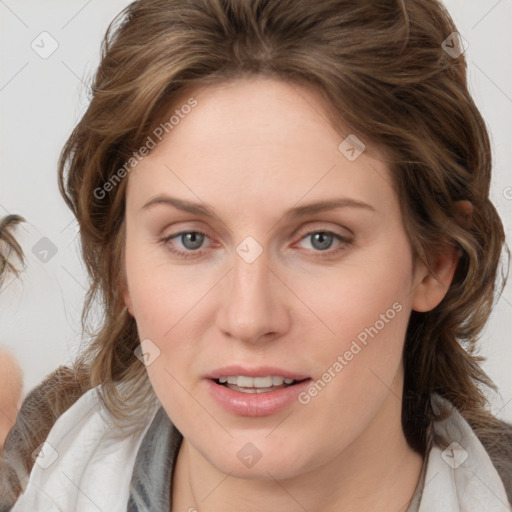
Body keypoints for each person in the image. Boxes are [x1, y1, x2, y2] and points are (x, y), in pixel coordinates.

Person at [1, 0, 511, 510]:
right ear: (121, 267)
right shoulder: (25, 469)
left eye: (321, 239)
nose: (249, 319)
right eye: (190, 239)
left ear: (437, 260)